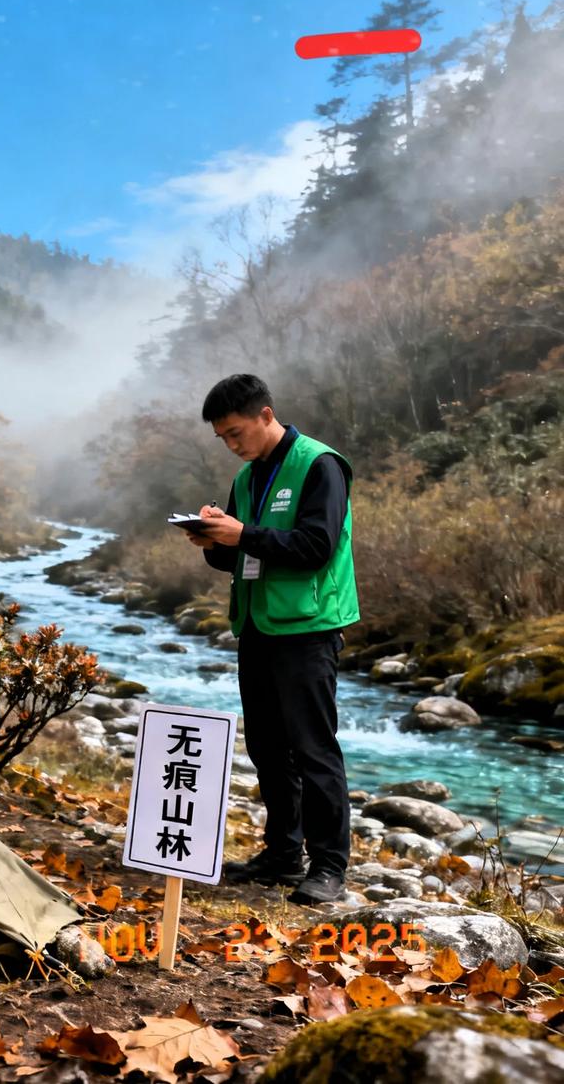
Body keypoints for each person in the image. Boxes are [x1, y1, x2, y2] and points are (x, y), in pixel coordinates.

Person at [185, 373, 358, 905]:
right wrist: (212, 540)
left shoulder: (319, 464)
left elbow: (316, 546)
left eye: (237, 433)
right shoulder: (247, 478)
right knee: (265, 747)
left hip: (308, 628)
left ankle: (329, 865)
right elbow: (244, 557)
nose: (233, 445)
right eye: (224, 439)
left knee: (314, 748)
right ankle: (283, 854)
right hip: (257, 625)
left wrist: (245, 534)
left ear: (266, 415)